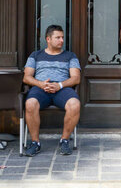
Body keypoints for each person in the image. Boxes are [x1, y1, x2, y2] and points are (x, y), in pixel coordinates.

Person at [24, 25, 81, 157]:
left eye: (62, 37)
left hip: (62, 89)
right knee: (30, 104)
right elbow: (26, 77)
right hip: (40, 88)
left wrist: (59, 85)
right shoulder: (35, 55)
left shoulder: (70, 56)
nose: (61, 40)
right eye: (57, 38)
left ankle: (65, 140)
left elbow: (76, 78)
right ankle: (35, 143)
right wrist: (41, 84)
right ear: (48, 39)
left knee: (75, 104)